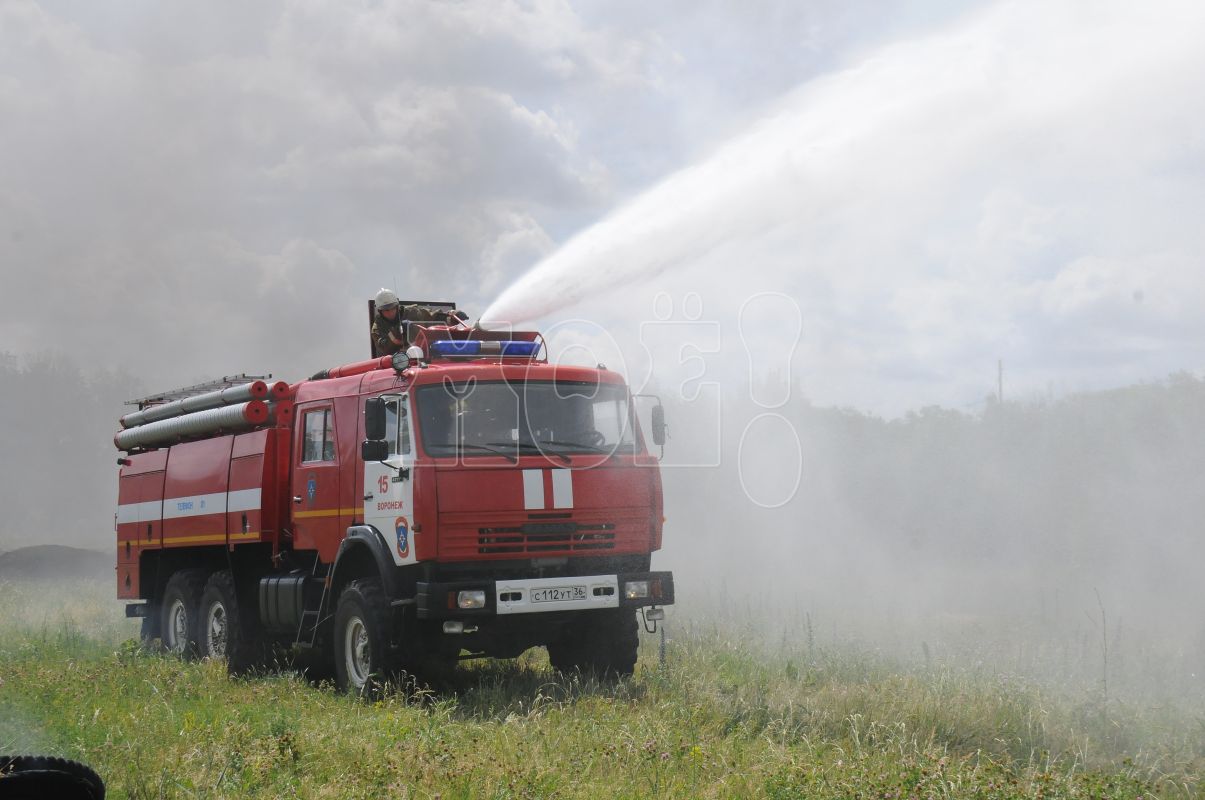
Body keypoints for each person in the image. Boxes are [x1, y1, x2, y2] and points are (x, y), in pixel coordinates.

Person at [372, 289, 470, 356]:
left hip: (424, 356)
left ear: (397, 305)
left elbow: (434, 317)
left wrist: (453, 317)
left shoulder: (414, 312)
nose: (390, 312)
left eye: (392, 308)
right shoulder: (377, 328)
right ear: (380, 311)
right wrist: (397, 332)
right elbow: (384, 348)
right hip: (398, 363)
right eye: (386, 310)